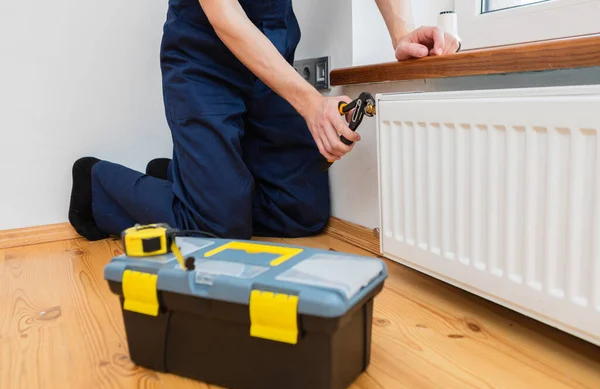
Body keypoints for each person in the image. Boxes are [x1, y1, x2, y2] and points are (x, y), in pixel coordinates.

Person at [68, 0, 460, 241]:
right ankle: (97, 182)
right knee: (219, 231)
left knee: (301, 210)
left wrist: (401, 32)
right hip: (202, 66)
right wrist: (309, 103)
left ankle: (182, 181)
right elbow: (223, 15)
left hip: (271, 66)